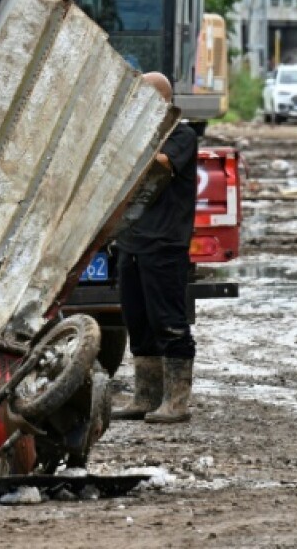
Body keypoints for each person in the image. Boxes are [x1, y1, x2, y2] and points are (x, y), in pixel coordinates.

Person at [112, 71, 198, 425]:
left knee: (169, 322)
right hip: (131, 243)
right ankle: (145, 396)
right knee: (138, 321)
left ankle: (176, 401)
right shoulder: (134, 138)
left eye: (144, 97)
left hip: (164, 245)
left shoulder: (181, 135)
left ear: (163, 100)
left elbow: (161, 164)